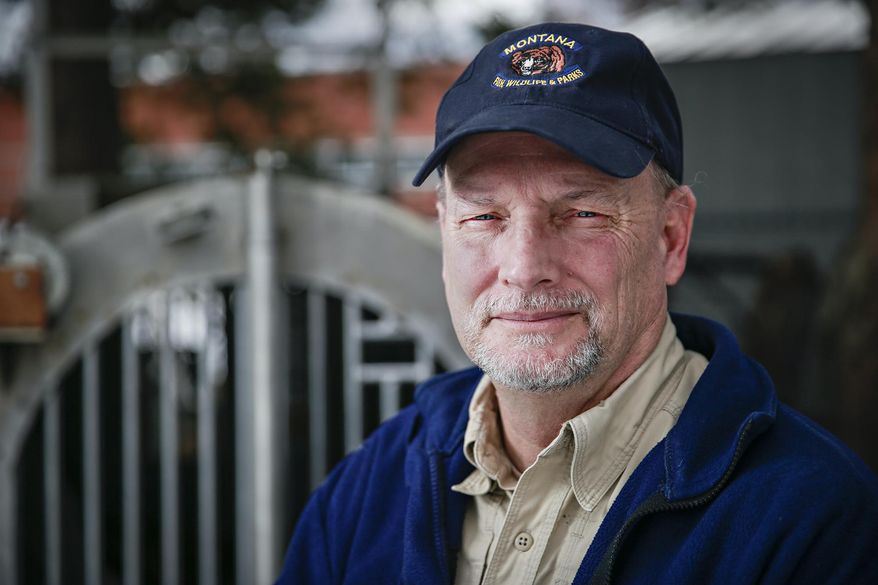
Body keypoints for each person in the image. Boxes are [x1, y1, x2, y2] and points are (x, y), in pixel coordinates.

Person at [276, 22, 878, 584]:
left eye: (583, 213)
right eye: (485, 216)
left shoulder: (811, 520)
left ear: (671, 237)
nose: (524, 268)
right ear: (444, 233)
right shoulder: (366, 490)